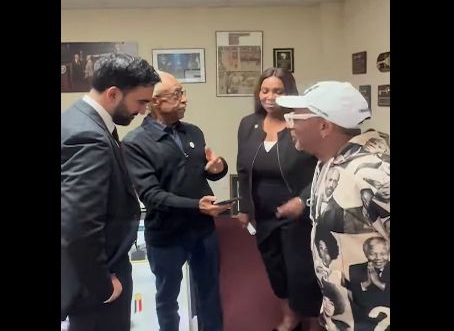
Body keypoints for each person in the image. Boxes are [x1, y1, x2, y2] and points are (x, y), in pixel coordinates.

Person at [277, 81, 390, 331]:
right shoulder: (329, 161)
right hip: (344, 315)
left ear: (324, 126)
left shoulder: (375, 173)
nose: (289, 125)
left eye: (295, 118)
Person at [122, 71, 231, 331]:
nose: (184, 99)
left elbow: (201, 173)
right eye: (177, 94)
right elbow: (152, 195)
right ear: (154, 102)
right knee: (167, 299)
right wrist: (197, 206)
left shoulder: (193, 132)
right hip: (166, 235)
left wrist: (218, 168)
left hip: (202, 231)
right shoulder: (135, 143)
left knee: (209, 293)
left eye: (183, 92)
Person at [61, 53, 161, 331]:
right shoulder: (89, 136)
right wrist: (102, 285)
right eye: (141, 102)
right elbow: (78, 224)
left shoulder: (80, 120)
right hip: (98, 280)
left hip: (95, 271)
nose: (144, 111)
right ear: (114, 93)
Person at [236, 67, 322, 331]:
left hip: (298, 214)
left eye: (277, 91)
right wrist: (244, 207)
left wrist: (303, 200)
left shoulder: (303, 122)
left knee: (302, 272)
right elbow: (243, 169)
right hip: (264, 214)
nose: (269, 97)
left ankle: (314, 322)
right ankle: (290, 318)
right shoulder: (248, 124)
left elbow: (323, 167)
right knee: (276, 269)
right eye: (265, 90)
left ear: (290, 93)